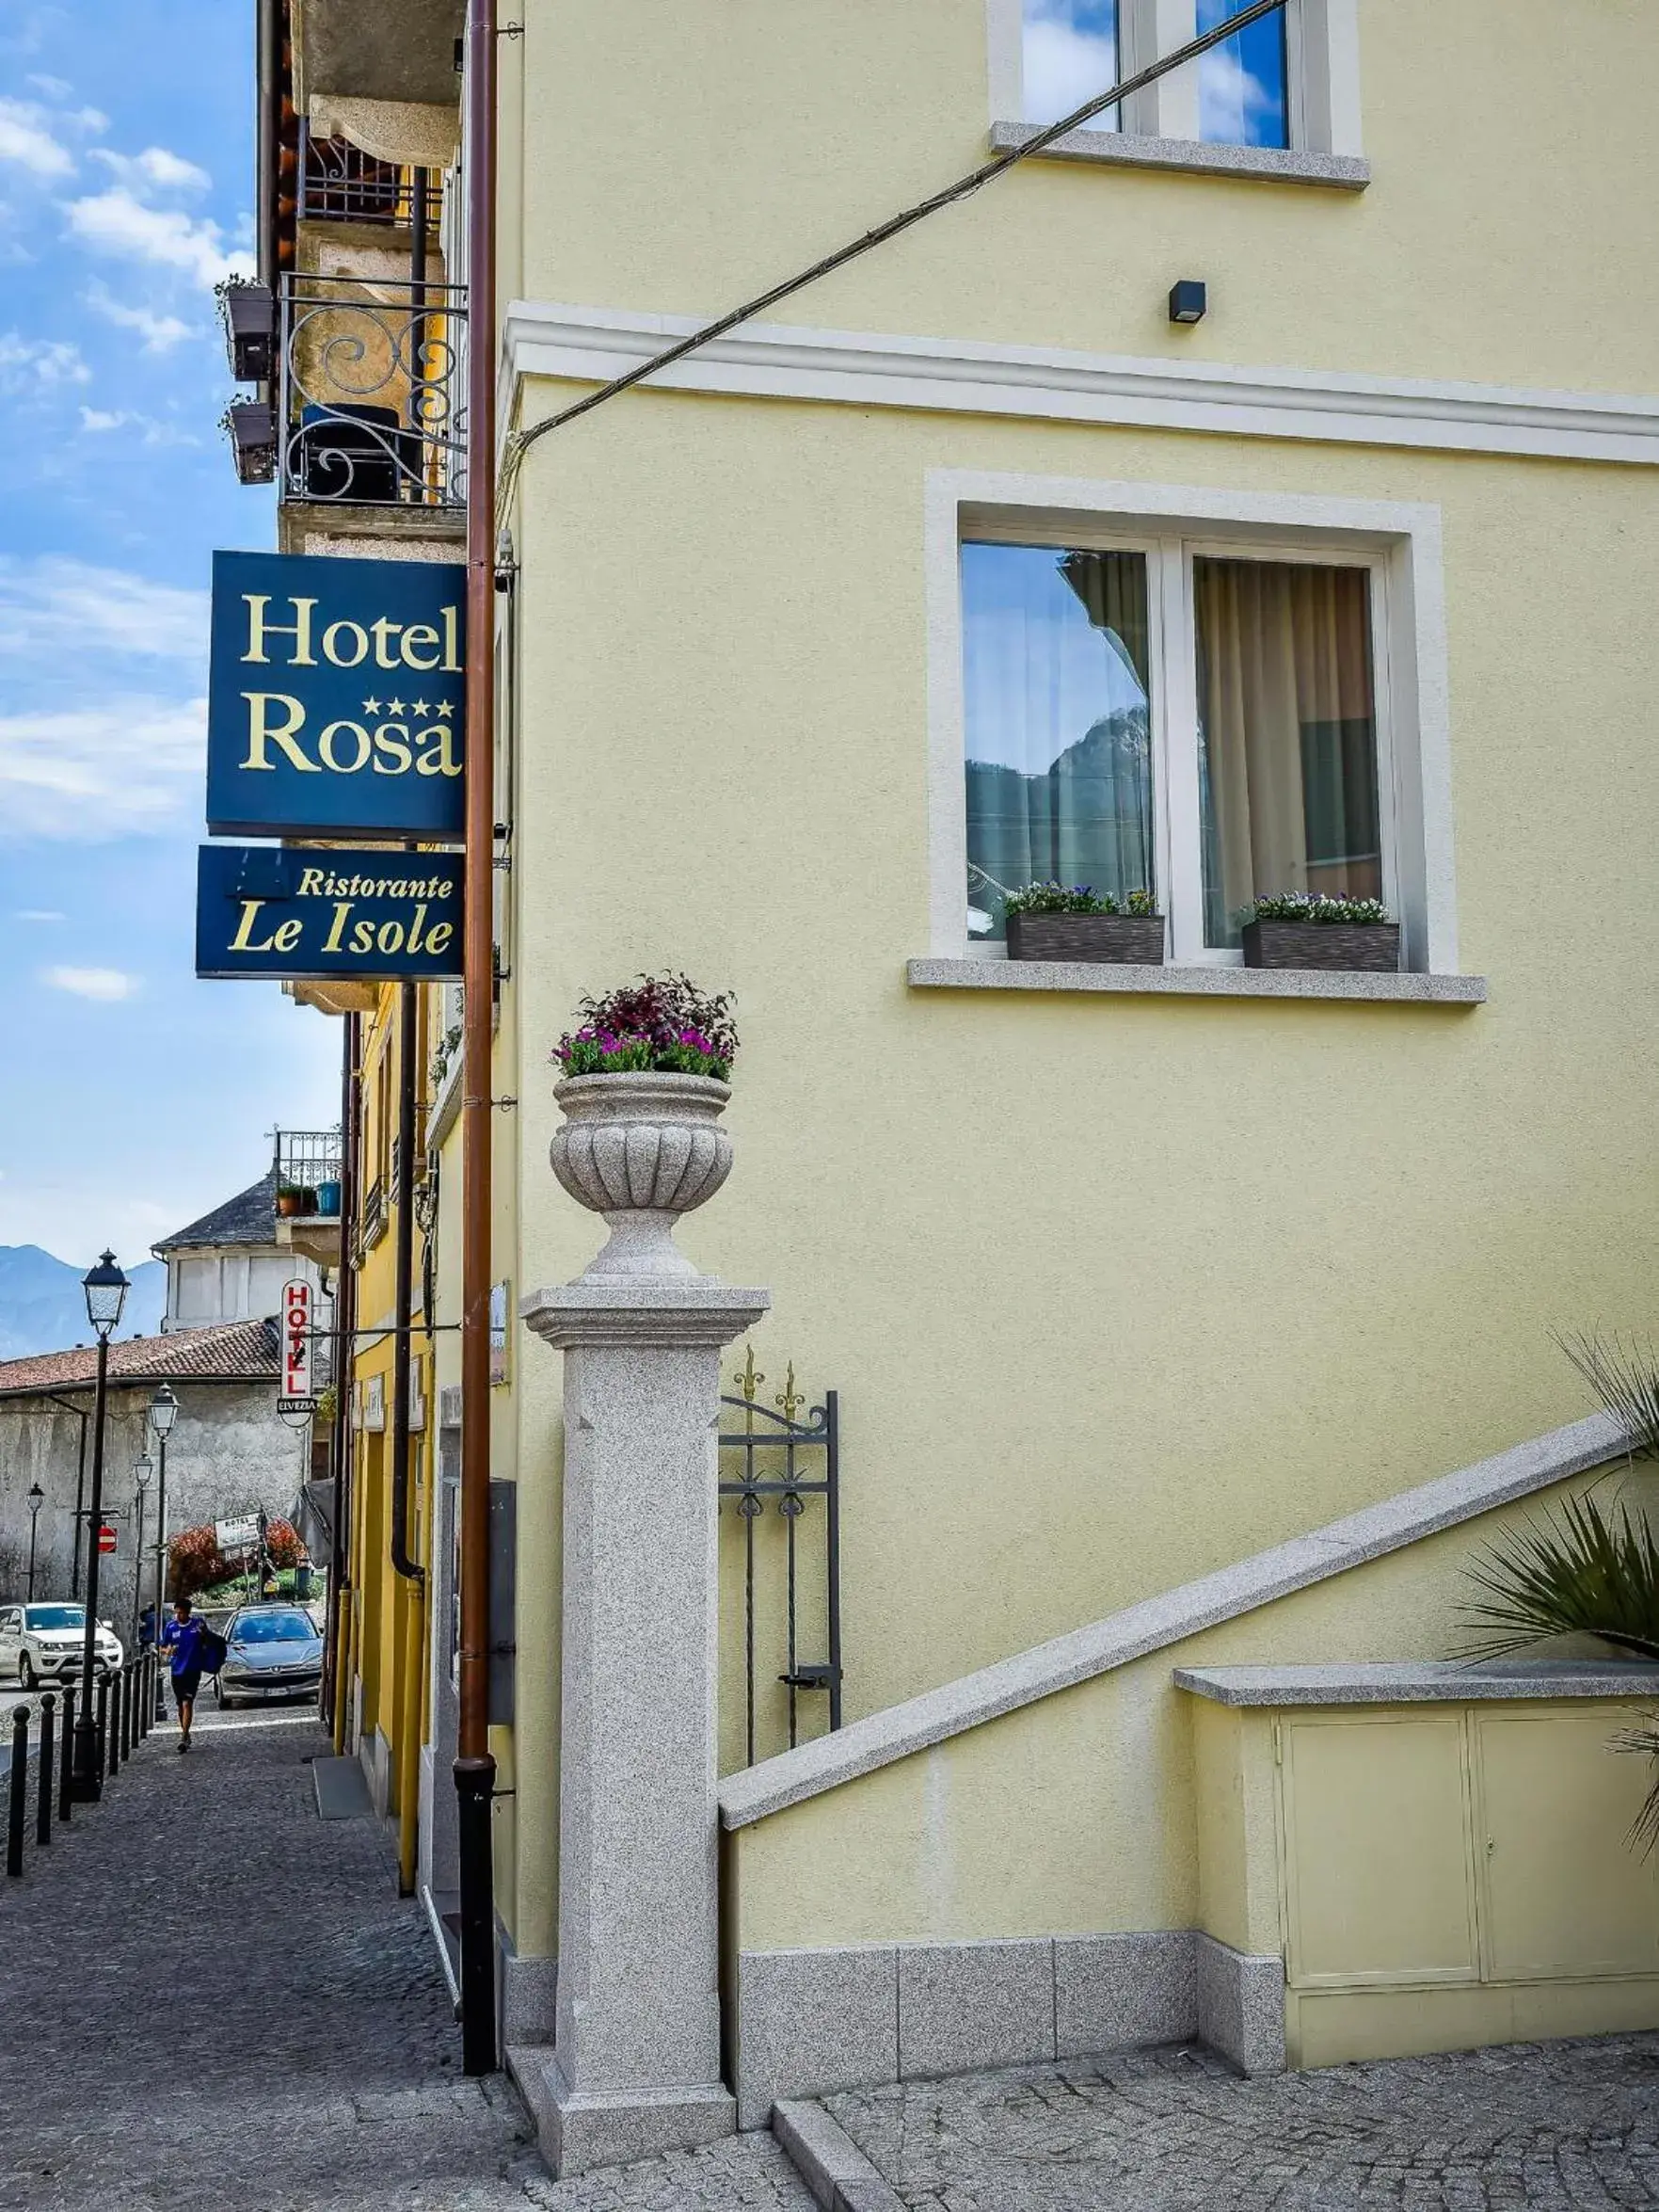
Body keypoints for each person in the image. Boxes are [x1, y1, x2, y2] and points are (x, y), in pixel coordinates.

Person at [160, 1596, 205, 1752]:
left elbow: (208, 1642)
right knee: (180, 1705)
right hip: (177, 1670)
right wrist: (168, 1651)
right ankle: (185, 1732)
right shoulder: (171, 1627)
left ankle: (184, 1737)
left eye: (181, 1613)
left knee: (188, 1702)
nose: (178, 1616)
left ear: (188, 1613)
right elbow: (163, 1647)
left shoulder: (197, 1625)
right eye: (176, 1613)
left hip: (193, 1670)